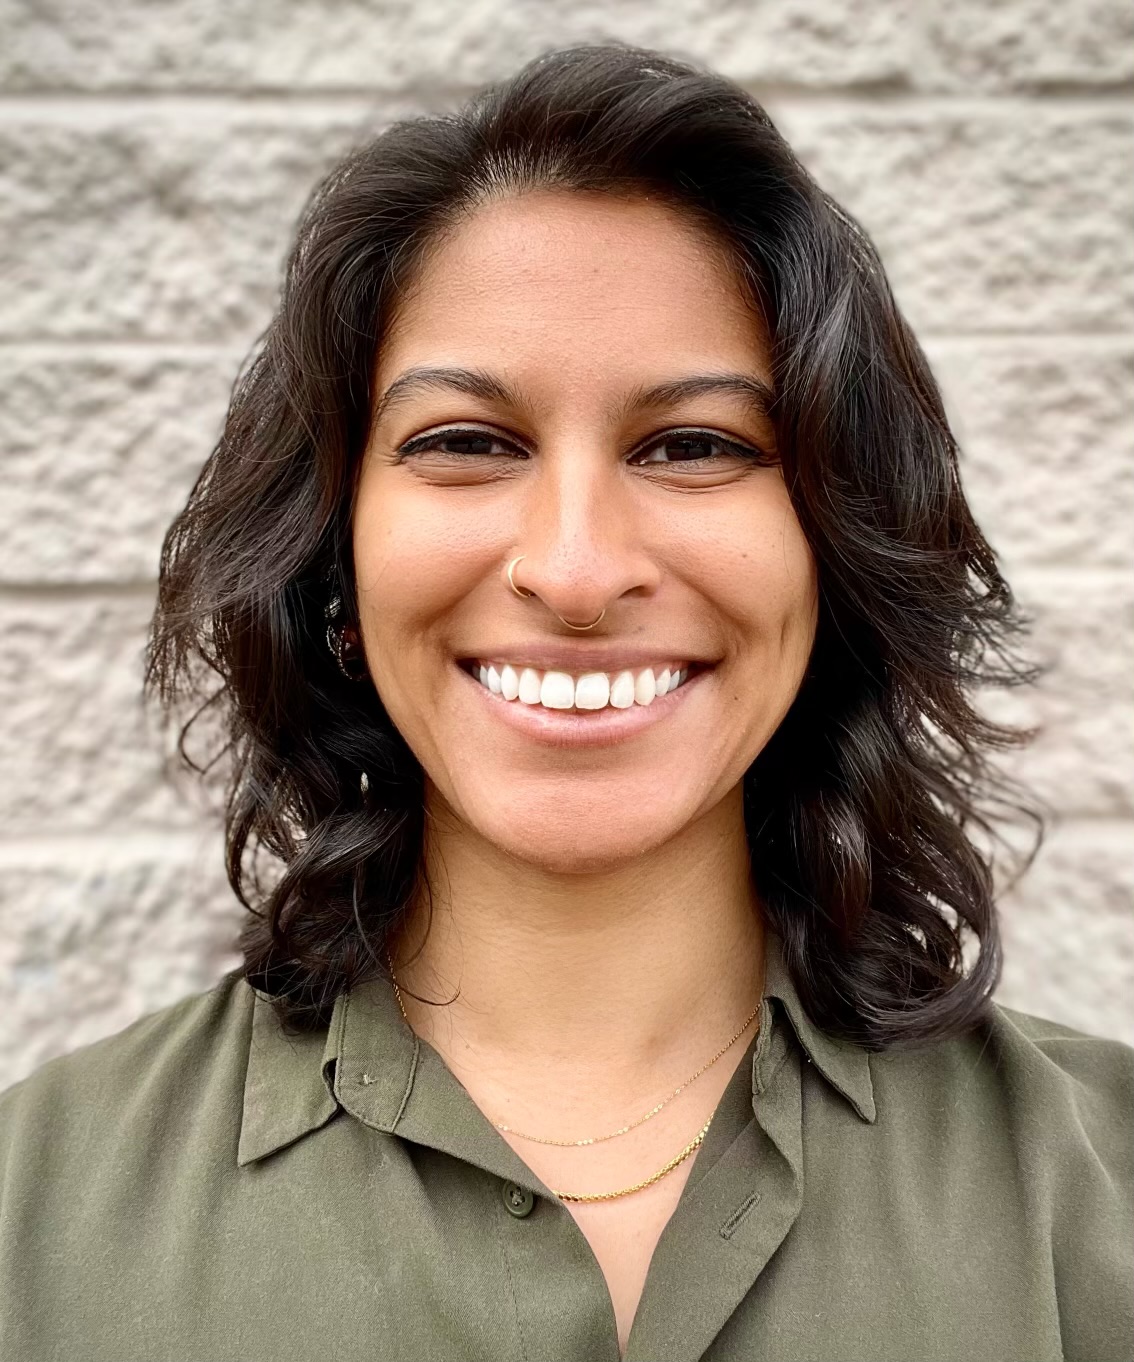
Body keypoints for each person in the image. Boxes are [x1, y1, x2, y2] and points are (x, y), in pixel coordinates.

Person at [0, 41, 1130, 1362]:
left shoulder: (1095, 1200)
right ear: (333, 559)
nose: (577, 569)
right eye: (467, 443)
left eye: (693, 445)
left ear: (834, 548)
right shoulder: (35, 1216)